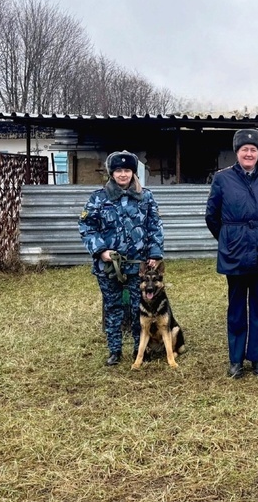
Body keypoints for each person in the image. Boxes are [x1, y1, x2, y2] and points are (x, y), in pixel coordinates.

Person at [206, 129, 258, 378]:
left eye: (253, 149)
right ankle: (236, 359)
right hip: (235, 251)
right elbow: (212, 216)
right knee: (237, 308)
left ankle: (257, 358)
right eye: (244, 149)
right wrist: (229, 238)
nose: (249, 153)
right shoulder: (222, 179)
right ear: (237, 152)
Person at [79, 150, 164, 366]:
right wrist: (101, 251)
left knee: (139, 308)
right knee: (113, 307)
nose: (123, 175)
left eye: (127, 170)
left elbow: (155, 226)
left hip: (139, 267)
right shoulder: (98, 198)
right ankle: (114, 351)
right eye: (118, 171)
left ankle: (139, 350)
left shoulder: (146, 196)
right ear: (112, 173)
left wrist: (154, 254)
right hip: (108, 266)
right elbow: (87, 227)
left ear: (133, 173)